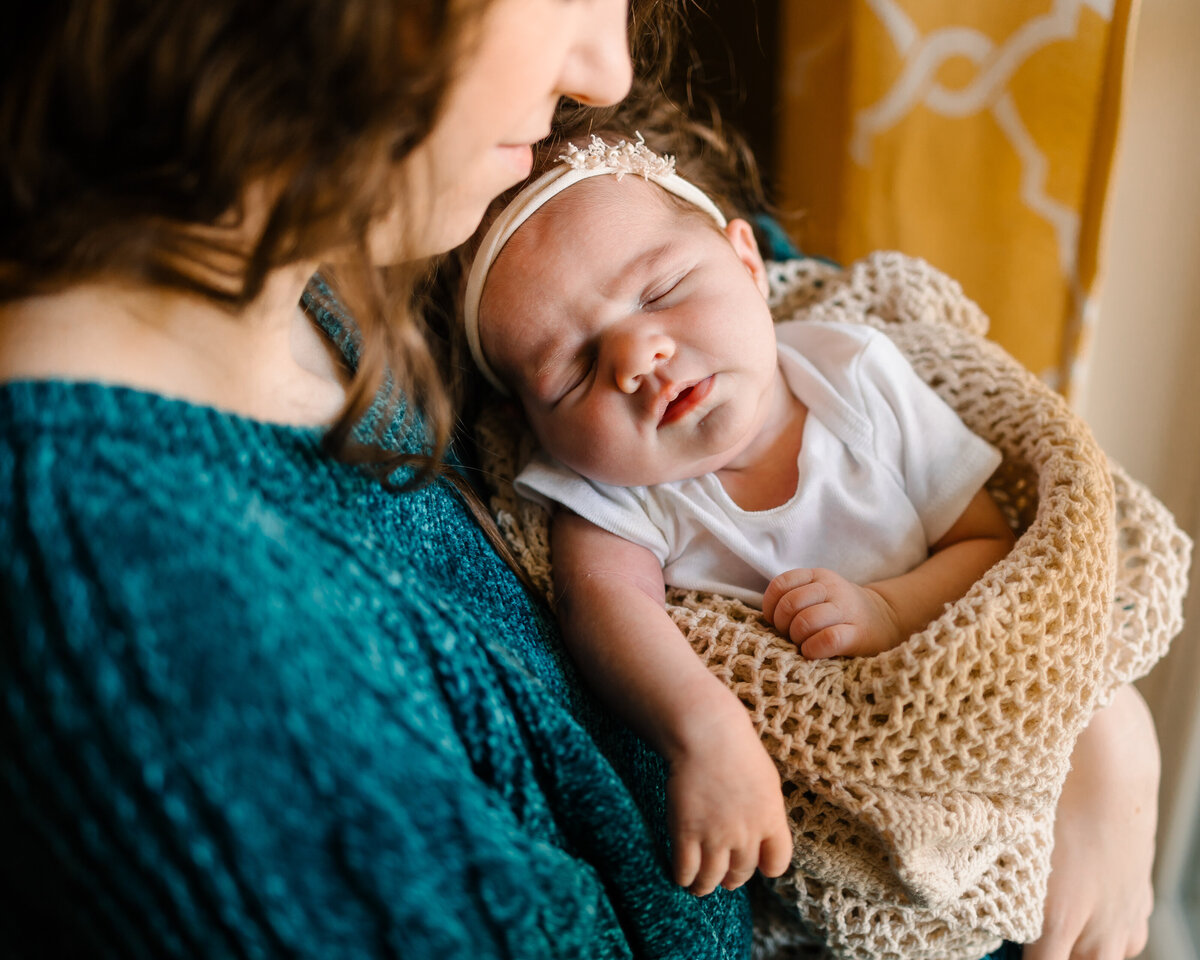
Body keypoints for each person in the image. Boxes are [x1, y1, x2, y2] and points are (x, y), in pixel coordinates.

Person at [0, 2, 1157, 959]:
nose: (605, 69)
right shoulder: (140, 595)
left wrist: (1096, 710)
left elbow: (769, 307)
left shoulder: (372, 234)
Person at [461, 132, 1017, 895]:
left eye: (659, 293)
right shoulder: (614, 492)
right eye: (575, 370)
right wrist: (707, 730)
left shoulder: (857, 379)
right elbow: (606, 610)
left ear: (749, 265)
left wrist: (888, 610)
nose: (637, 356)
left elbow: (992, 545)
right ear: (537, 426)